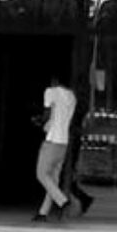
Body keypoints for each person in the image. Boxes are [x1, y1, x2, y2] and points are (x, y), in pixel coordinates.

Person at [31, 69, 77, 222]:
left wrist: (38, 121)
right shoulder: (72, 96)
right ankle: (43, 213)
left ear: (54, 80)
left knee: (41, 174)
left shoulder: (51, 91)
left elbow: (46, 114)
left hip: (51, 140)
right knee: (53, 179)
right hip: (63, 142)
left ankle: (62, 200)